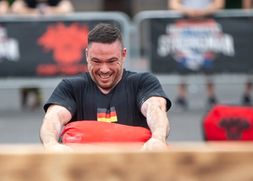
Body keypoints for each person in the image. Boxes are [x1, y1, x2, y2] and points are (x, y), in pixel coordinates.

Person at [40, 23, 172, 151]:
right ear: (87, 55)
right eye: (96, 61)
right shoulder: (71, 87)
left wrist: (158, 139)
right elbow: (53, 117)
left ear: (123, 55)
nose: (104, 69)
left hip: (135, 165)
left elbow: (155, 108)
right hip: (85, 168)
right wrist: (52, 145)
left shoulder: (142, 82)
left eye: (111, 61)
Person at [168, 0, 225, 110]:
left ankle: (211, 95)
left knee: (209, 61)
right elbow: (173, 3)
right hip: (186, 28)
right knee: (183, 61)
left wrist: (203, 11)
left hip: (206, 28)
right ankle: (182, 95)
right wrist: (189, 11)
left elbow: (219, 2)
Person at [11, 0, 74, 109]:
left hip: (50, 42)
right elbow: (15, 8)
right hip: (31, 40)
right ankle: (30, 92)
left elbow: (68, 8)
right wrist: (34, 12)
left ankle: (42, 95)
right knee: (30, 67)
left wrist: (49, 11)